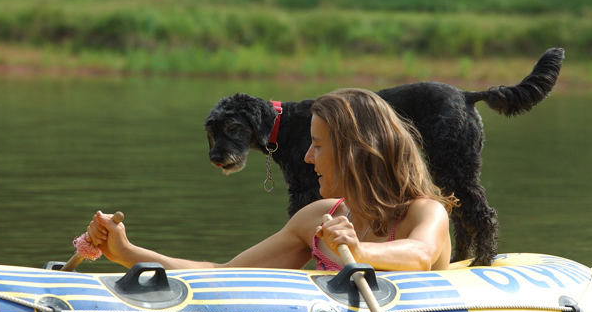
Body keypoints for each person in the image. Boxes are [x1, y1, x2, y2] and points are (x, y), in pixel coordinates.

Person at [87, 88, 458, 271]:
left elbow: (421, 255)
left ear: (354, 152)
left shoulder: (424, 213)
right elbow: (228, 275)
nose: (307, 157)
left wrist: (361, 252)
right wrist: (129, 253)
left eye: (317, 146)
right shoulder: (319, 218)